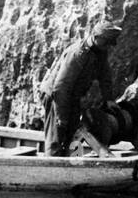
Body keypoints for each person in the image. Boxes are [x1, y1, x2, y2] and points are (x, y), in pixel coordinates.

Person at [41, 24, 122, 155]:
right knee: (57, 133)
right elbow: (61, 87)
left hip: (73, 96)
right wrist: (61, 117)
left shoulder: (100, 50)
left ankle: (68, 163)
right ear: (96, 37)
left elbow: (105, 77)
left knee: (72, 133)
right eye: (106, 42)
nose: (109, 46)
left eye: (110, 43)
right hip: (56, 96)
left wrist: (109, 100)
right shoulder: (78, 54)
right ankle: (51, 163)